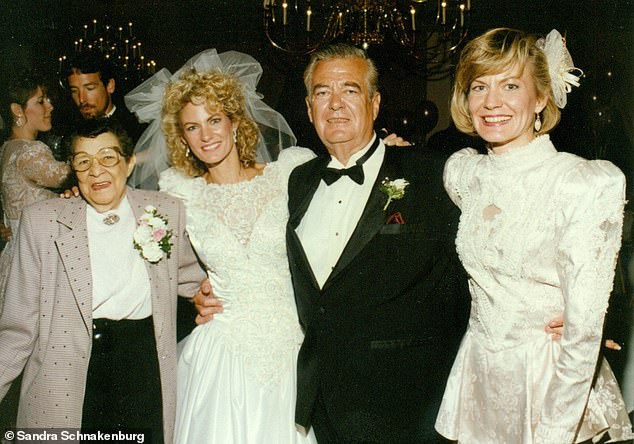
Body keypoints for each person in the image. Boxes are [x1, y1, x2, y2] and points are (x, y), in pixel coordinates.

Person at [434, 28, 634, 443]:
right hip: (479, 386)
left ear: (541, 97)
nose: (491, 102)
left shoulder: (579, 183)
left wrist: (554, 434)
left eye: (511, 85)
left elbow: (583, 330)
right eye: (479, 86)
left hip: (552, 389)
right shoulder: (464, 174)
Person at [126, 48, 318, 443]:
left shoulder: (287, 174)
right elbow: (146, 252)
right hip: (222, 354)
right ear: (182, 137)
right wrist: (193, 291)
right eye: (192, 127)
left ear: (234, 121)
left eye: (214, 120)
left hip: (291, 349)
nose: (206, 135)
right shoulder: (179, 194)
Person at [280, 43, 469, 443]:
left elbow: (483, 260)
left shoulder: (432, 175)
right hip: (324, 399)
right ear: (309, 107)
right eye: (321, 93)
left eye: (349, 91)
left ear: (375, 103)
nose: (334, 105)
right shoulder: (298, 181)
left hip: (407, 401)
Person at [0, 118, 207, 443]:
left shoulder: (165, 211)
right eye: (84, 161)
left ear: (129, 163)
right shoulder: (42, 222)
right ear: (73, 170)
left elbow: (196, 281)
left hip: (143, 370)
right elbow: (17, 330)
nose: (96, 171)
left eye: (108, 158)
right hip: (69, 377)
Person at [0, 70, 71, 307]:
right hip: (38, 257)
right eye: (40, 102)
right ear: (17, 110)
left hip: (16, 255)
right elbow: (71, 175)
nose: (49, 107)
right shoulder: (30, 151)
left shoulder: (7, 149)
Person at [64, 50, 144, 144]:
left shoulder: (135, 130)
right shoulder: (70, 133)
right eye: (74, 91)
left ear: (110, 86)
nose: (81, 99)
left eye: (90, 88)